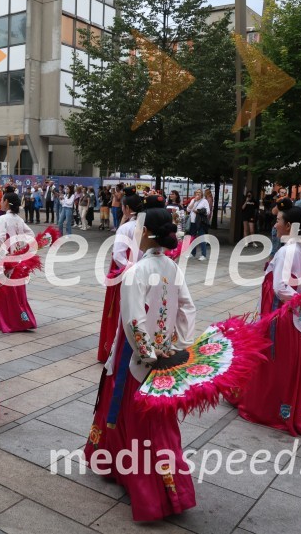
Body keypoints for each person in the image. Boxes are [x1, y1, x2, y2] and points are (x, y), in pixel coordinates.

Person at [84, 208, 197, 522]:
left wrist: (147, 355)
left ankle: (146, 490)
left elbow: (134, 320)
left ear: (146, 233)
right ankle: (171, 488)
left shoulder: (136, 271)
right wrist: (176, 347)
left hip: (135, 358)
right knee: (159, 422)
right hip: (160, 354)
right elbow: (188, 307)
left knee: (137, 421)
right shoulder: (172, 266)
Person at [235, 205, 301, 436]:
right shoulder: (300, 249)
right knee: (290, 363)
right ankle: (288, 408)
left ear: (290, 226)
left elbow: (280, 287)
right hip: (295, 316)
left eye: (278, 220)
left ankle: (270, 410)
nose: (274, 225)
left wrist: (298, 299)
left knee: (275, 362)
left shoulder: (286, 251)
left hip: (281, 316)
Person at [97, 189, 145, 363]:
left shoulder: (126, 228)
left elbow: (118, 255)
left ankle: (113, 349)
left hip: (125, 274)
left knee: (119, 312)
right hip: (145, 273)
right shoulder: (145, 226)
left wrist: (129, 268)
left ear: (125, 208)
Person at [0, 192, 38, 333]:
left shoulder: (1, 219)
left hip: (7, 260)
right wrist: (21, 249)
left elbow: (0, 239)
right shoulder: (19, 219)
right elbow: (31, 235)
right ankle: (22, 319)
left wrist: (3, 258)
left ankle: (6, 320)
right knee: (17, 291)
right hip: (18, 260)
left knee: (4, 290)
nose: (1, 202)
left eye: (2, 200)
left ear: (7, 202)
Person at [186, 189, 210, 261]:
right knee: (192, 237)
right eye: (197, 193)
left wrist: (198, 211)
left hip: (200, 222)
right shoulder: (193, 200)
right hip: (192, 221)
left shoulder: (204, 201)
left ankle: (203, 255)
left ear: (202, 194)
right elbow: (188, 209)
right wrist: (194, 201)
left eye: (199, 193)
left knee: (201, 237)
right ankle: (193, 253)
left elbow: (208, 212)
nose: (198, 194)